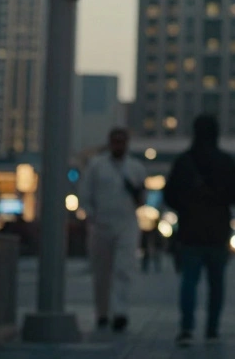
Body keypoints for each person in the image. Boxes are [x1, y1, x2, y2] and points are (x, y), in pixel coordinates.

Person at [164, 114, 235, 347]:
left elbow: (169, 196)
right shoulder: (225, 162)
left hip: (190, 230)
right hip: (218, 231)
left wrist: (187, 203)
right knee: (216, 284)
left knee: (189, 281)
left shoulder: (184, 162)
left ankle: (187, 328)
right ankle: (212, 330)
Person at [80, 128, 148, 332]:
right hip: (101, 224)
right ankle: (102, 313)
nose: (118, 145)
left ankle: (120, 312)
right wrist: (92, 216)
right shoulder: (96, 166)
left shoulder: (135, 168)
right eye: (115, 141)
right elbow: (86, 192)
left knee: (123, 269)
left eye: (122, 141)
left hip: (126, 224)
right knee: (101, 272)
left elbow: (142, 197)